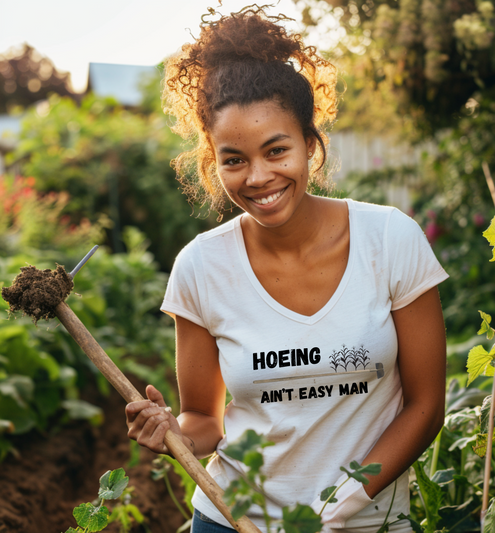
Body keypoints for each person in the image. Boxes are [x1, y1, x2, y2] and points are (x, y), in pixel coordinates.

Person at [125, 6, 448, 533]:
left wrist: (342, 504)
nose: (259, 177)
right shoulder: (201, 268)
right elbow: (205, 419)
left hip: (364, 522)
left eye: (277, 150)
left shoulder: (390, 240)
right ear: (213, 160)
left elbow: (426, 405)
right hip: (233, 520)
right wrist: (175, 435)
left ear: (309, 143)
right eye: (234, 160)